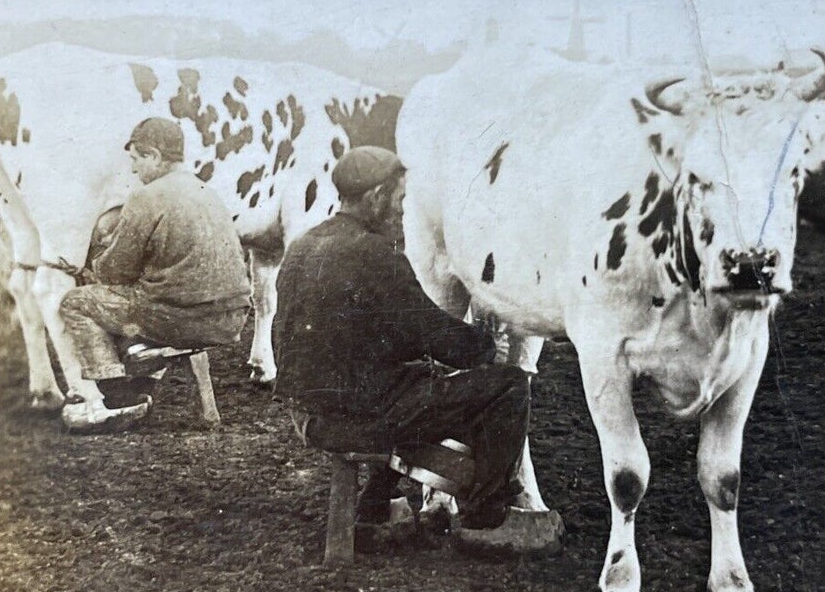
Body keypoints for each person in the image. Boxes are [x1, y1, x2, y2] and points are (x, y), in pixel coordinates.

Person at [272, 145, 531, 545]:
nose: (402, 212)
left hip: (307, 411)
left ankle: (374, 507)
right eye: (400, 200)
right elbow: (436, 337)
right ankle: (487, 518)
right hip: (354, 418)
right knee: (509, 385)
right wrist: (485, 341)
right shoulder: (375, 255)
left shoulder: (304, 246)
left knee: (408, 387)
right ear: (375, 198)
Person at [58, 117, 250, 432]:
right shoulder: (208, 191)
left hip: (179, 319)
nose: (133, 170)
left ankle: (116, 400)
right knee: (141, 298)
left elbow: (115, 272)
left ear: (155, 157)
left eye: (136, 159)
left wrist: (95, 258)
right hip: (231, 318)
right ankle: (141, 381)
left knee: (76, 302)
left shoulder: (146, 197)